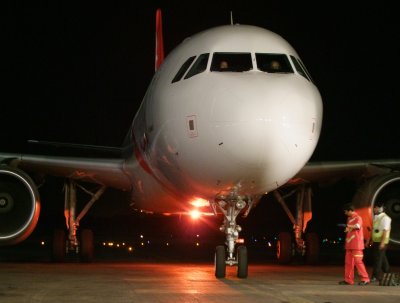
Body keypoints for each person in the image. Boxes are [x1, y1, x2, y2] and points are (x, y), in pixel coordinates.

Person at [338, 203, 370, 285]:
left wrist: (348, 226)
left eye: (346, 211)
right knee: (348, 263)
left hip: (357, 244)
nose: (345, 213)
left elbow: (358, 226)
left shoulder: (358, 217)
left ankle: (365, 279)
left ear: (350, 210)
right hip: (349, 244)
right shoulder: (349, 218)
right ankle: (348, 280)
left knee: (358, 262)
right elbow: (350, 229)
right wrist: (347, 228)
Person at [368, 203, 391, 282]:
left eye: (376, 208)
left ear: (381, 209)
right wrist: (370, 240)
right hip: (376, 241)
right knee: (382, 258)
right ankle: (388, 272)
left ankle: (375, 276)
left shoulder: (386, 218)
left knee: (378, 259)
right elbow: (374, 230)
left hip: (382, 241)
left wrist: (382, 242)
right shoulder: (376, 217)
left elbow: (385, 231)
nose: (374, 209)